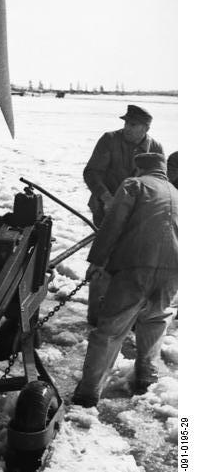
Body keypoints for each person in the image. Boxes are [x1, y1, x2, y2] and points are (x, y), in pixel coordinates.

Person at [72, 152, 177, 408]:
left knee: (109, 332)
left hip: (135, 267)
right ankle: (146, 377)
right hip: (175, 270)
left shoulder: (135, 184)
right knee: (155, 320)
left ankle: (88, 394)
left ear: (139, 169)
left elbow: (113, 223)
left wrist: (97, 261)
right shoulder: (179, 193)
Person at [83, 104, 164, 325]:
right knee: (104, 259)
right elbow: (91, 172)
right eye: (126, 123)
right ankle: (96, 316)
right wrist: (106, 197)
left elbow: (159, 181)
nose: (127, 127)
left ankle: (126, 314)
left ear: (145, 128)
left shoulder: (155, 147)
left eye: (133, 124)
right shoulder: (109, 140)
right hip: (106, 210)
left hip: (138, 216)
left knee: (132, 263)